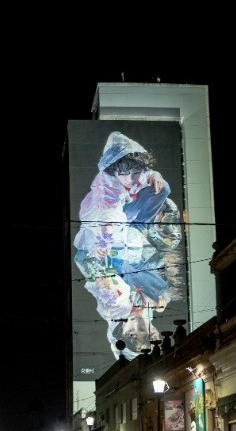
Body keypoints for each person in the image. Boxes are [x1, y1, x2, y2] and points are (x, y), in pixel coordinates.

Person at [73, 131, 185, 362]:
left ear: (120, 330)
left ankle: (140, 230)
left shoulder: (115, 306)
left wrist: (152, 176)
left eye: (131, 331)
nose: (138, 324)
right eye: (143, 330)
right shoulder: (109, 188)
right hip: (118, 226)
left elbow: (103, 269)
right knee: (158, 286)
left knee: (160, 187)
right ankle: (143, 229)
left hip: (103, 244)